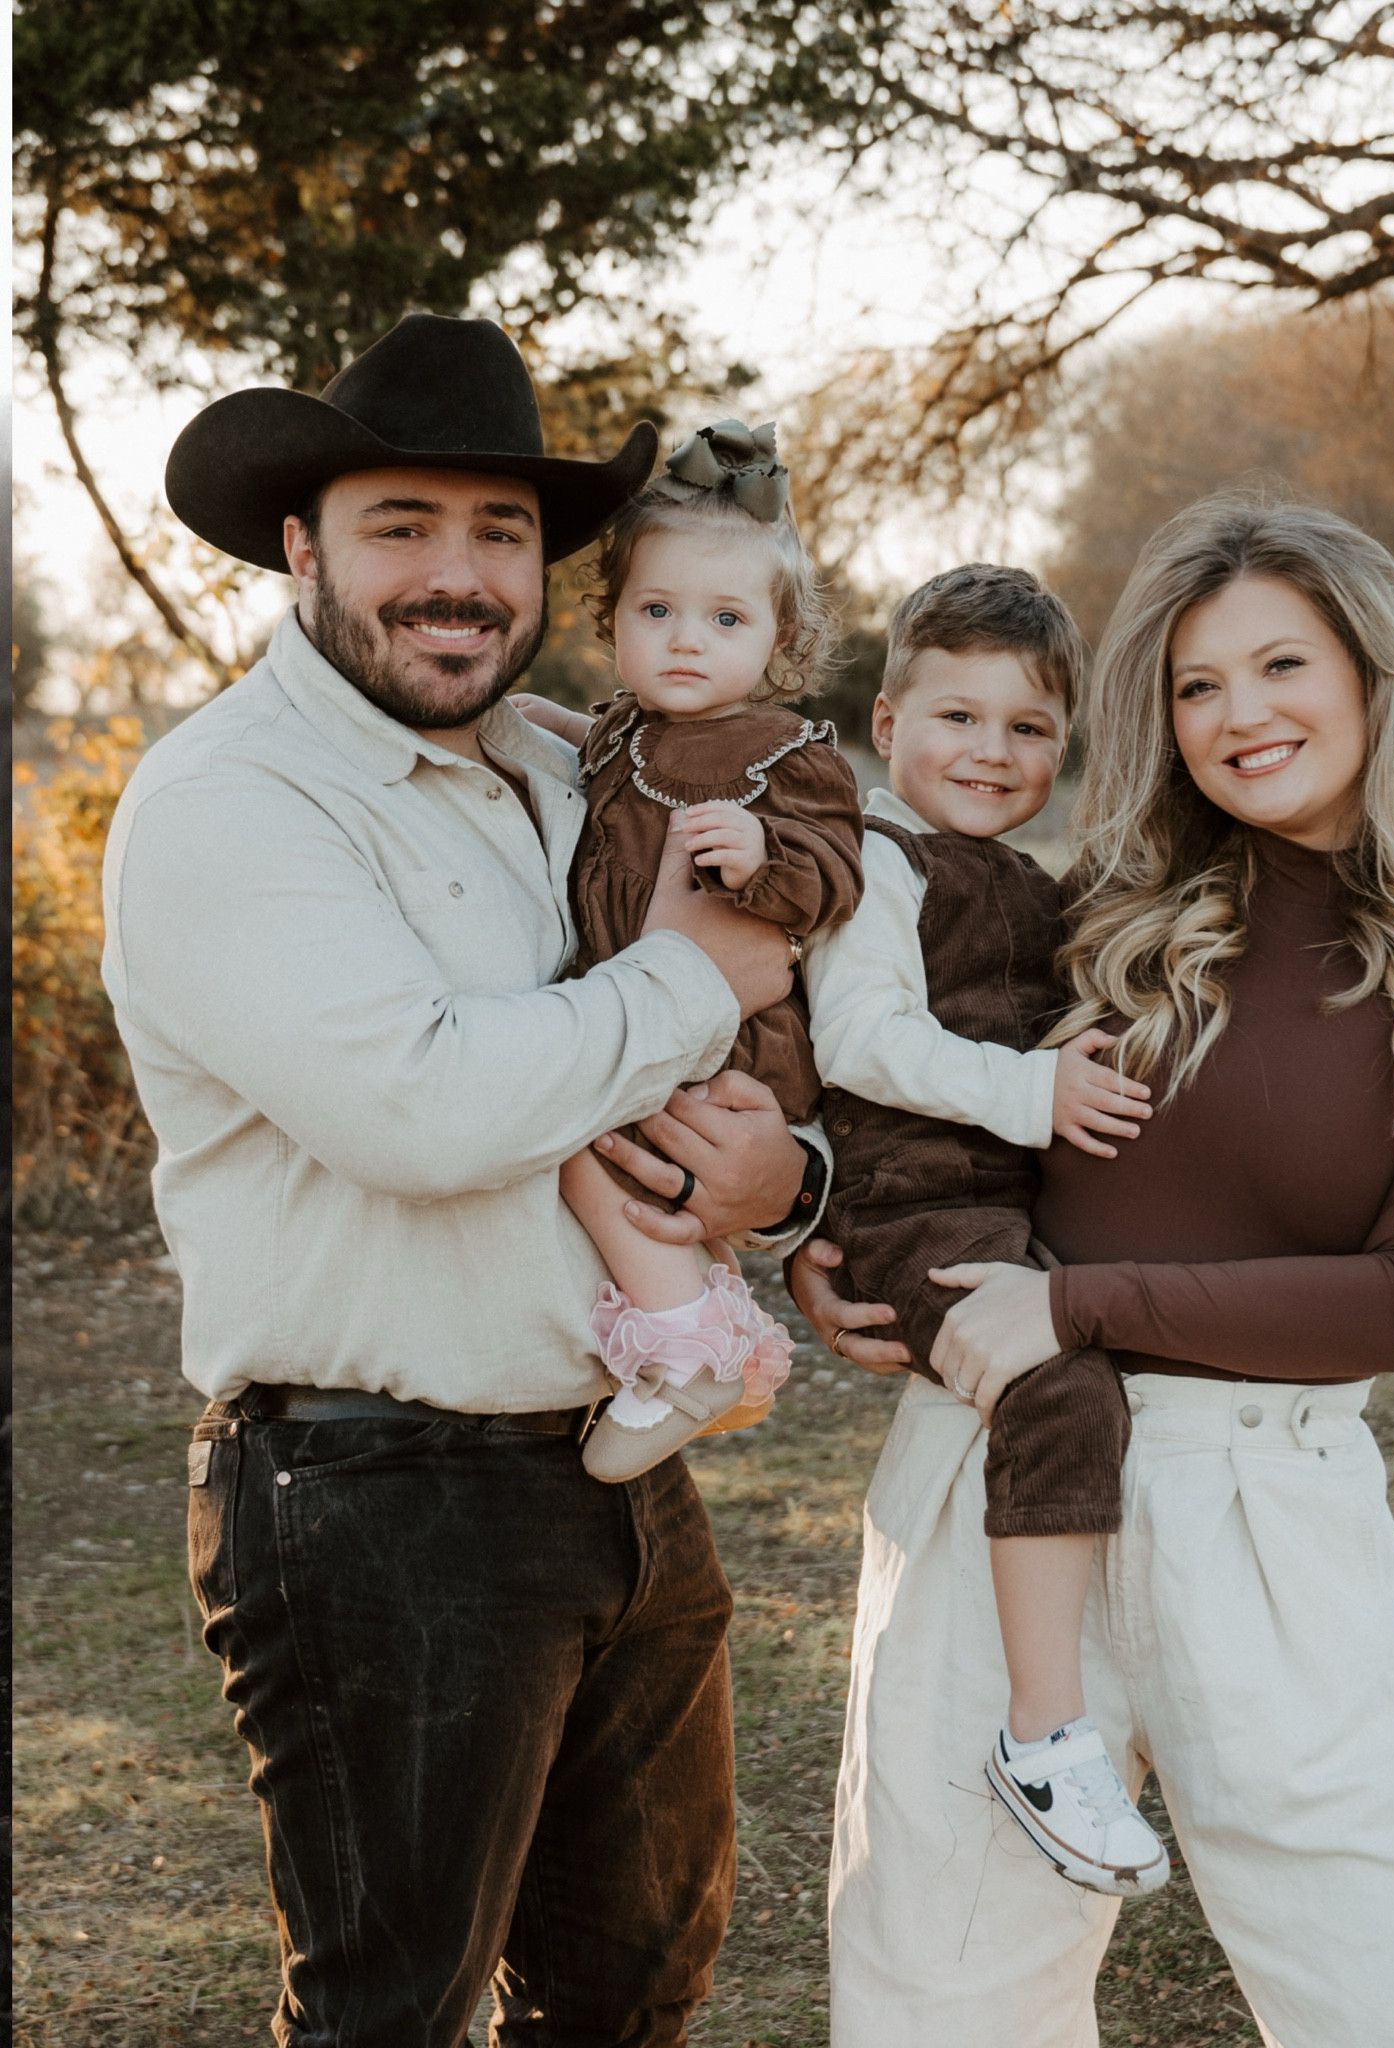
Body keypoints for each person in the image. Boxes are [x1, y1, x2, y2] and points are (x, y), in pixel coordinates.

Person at [103, 312, 828, 2047]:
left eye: (499, 531)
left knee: (630, 1991)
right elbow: (424, 1108)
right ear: (302, 545)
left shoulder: (555, 762)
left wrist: (774, 1177)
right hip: (376, 1491)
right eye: (402, 525)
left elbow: (758, 1020)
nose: (457, 574)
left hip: (614, 1467)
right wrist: (690, 976)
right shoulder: (229, 799)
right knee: (392, 2013)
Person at [792, 492, 1394, 2047]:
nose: (1239, 716)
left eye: (1280, 665)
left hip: (1264, 1509)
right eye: (1195, 684)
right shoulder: (1085, 921)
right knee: (941, 1994)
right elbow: (888, 1091)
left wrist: (1076, 1305)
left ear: (1369, 675)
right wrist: (815, 1252)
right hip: (993, 1481)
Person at [802, 563, 1166, 1894]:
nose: (989, 752)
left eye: (1025, 730)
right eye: (957, 717)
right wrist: (1035, 1092)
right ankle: (1042, 1735)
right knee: (1060, 1394)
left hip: (996, 1205)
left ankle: (1148, 1693)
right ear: (885, 722)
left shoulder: (1024, 878)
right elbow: (859, 1038)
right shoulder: (873, 869)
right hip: (910, 1209)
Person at [513, 419, 864, 1480]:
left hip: (733, 1037)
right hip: (658, 1014)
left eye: (723, 617)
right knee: (620, 1161)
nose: (685, 639)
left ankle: (688, 1353)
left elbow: (839, 865)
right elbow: (614, 763)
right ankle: (702, 1331)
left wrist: (765, 855)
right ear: (612, 618)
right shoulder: (626, 725)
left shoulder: (779, 752)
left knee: (581, 1143)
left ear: (778, 638)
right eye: (655, 610)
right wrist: (538, 721)